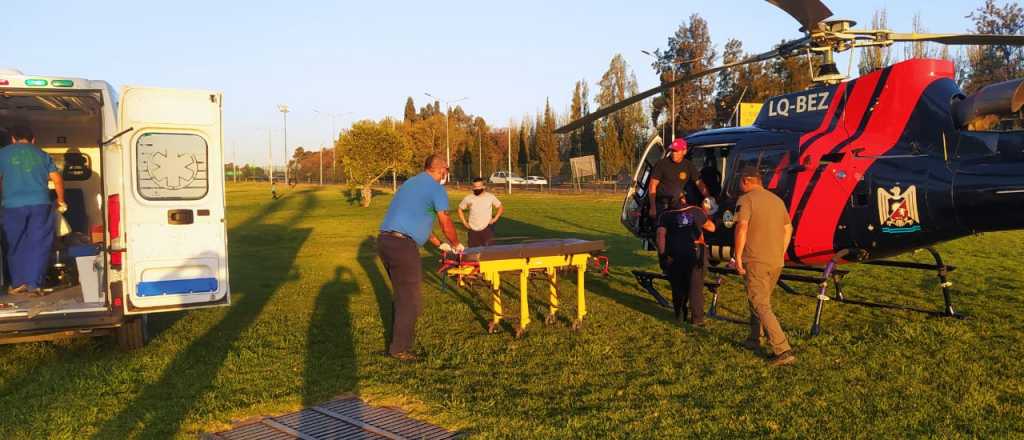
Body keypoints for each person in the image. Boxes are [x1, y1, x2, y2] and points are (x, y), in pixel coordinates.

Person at [378, 154, 463, 361]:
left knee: (401, 296)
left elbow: (417, 219)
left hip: (385, 241)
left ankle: (396, 341)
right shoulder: (436, 189)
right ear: (442, 170)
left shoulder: (411, 184)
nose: (446, 175)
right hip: (402, 246)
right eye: (446, 170)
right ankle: (400, 349)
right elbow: (445, 221)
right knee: (411, 300)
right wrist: (455, 244)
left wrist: (437, 243)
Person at [733, 165, 795, 366]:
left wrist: (738, 257)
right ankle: (754, 339)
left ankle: (782, 349)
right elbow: (788, 228)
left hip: (756, 260)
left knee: (760, 303)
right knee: (759, 300)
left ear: (746, 181)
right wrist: (780, 252)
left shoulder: (746, 200)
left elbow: (742, 228)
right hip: (775, 261)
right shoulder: (777, 200)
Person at [0, 126, 65, 295]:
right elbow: (57, 179)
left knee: (14, 244)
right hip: (40, 204)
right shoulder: (42, 154)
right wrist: (60, 200)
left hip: (12, 205)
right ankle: (34, 284)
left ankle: (17, 283)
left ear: (13, 139)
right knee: (39, 244)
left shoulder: (3, 153)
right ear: (33, 139)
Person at [656, 192, 715, 325]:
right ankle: (697, 319)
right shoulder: (696, 211)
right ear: (683, 199)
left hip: (674, 254)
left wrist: (663, 256)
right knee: (696, 286)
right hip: (695, 252)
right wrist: (705, 216)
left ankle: (680, 314)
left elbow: (660, 236)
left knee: (677, 285)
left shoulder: (665, 215)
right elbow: (711, 228)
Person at [648, 138, 710, 221]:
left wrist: (709, 199)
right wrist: (653, 207)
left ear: (684, 151)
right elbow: (652, 185)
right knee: (661, 230)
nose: (674, 153)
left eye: (677, 151)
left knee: (681, 228)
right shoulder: (661, 164)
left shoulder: (688, 166)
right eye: (672, 150)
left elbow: (699, 183)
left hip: (678, 204)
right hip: (662, 205)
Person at [457, 178, 503, 247]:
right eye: (475, 187)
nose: (477, 188)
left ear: (483, 187)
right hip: (473, 229)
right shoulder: (469, 198)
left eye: (479, 186)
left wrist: (495, 219)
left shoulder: (490, 197)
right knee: (473, 252)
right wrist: (465, 223)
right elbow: (459, 209)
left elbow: (500, 207)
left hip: (487, 229)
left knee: (489, 251)